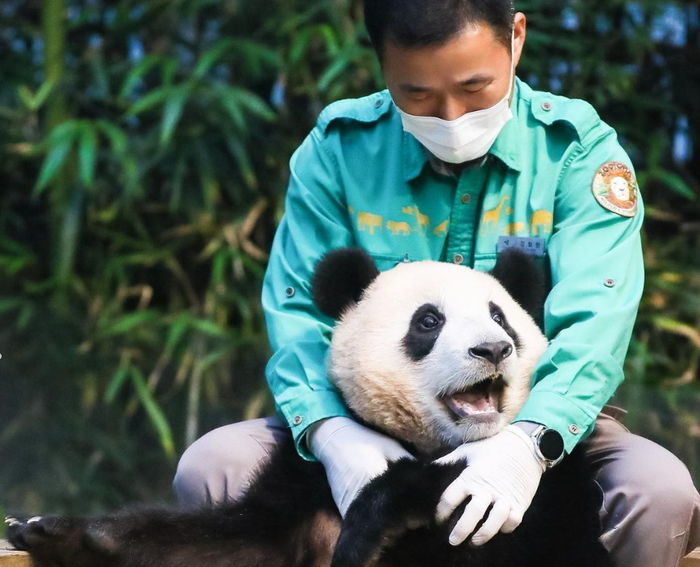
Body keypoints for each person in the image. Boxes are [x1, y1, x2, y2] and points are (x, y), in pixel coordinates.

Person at [173, 1, 700, 565]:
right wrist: (332, 435)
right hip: (367, 415)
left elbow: (595, 326)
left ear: (515, 37)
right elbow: (301, 315)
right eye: (418, 94)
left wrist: (529, 444)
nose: (450, 116)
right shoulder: (339, 151)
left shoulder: (575, 152)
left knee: (657, 493)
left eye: (476, 87)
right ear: (381, 65)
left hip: (536, 409)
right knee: (213, 468)